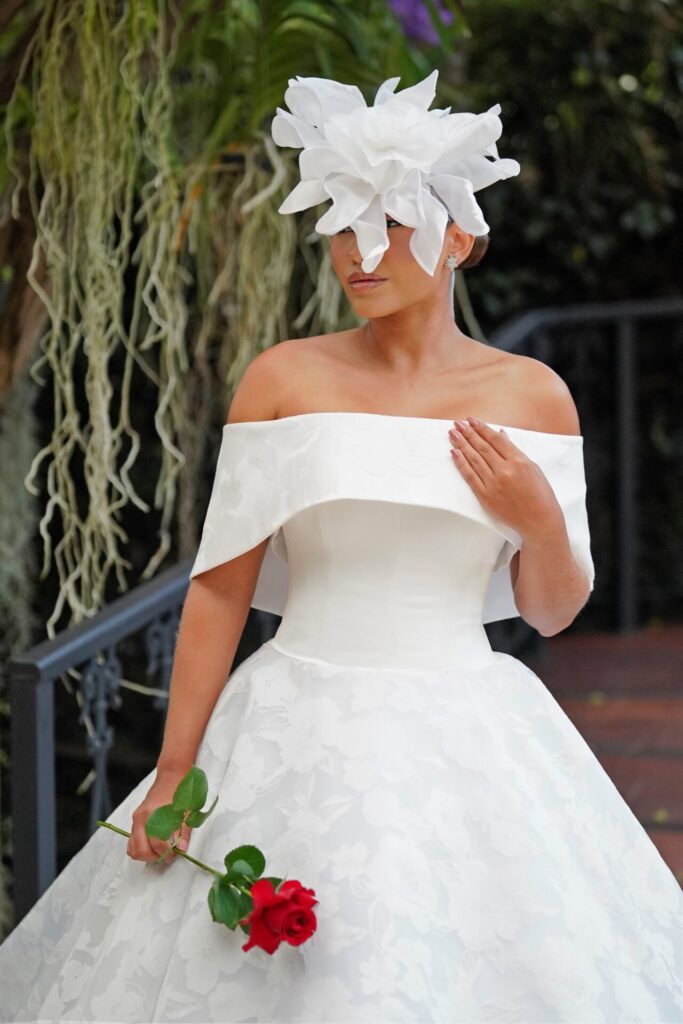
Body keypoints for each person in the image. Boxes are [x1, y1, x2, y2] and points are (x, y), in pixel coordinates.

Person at [1, 70, 681, 1024]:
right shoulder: (282, 379)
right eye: (341, 223)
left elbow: (551, 610)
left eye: (391, 223)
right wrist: (173, 774)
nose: (359, 252)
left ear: (459, 237)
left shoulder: (531, 395)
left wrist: (536, 520)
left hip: (467, 729)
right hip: (287, 727)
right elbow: (219, 590)